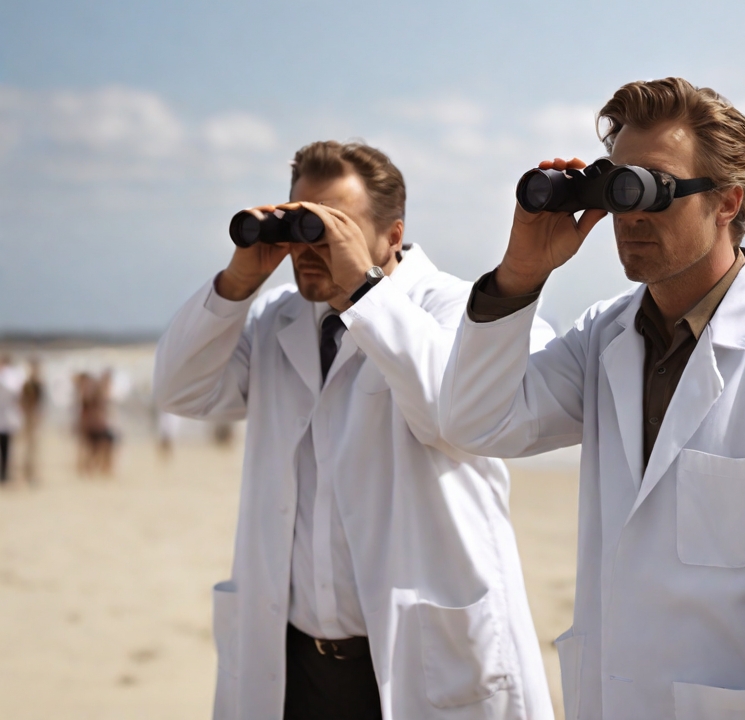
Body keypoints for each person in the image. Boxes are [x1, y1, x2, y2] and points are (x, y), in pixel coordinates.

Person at [439, 77, 745, 719]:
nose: (629, 214)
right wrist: (520, 275)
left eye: (652, 188)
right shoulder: (606, 336)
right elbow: (473, 422)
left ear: (725, 202)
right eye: (616, 185)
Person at [154, 140, 555, 720]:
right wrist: (239, 281)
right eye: (299, 223)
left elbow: (454, 418)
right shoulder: (279, 320)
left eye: (329, 228)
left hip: (420, 662)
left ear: (392, 236)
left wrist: (364, 295)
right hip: (295, 664)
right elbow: (178, 390)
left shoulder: (462, 310)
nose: (307, 249)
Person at [0, 355, 26, 484]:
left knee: (6, 448)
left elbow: (15, 394)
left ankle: (4, 474)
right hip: (5, 417)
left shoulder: (10, 377)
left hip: (6, 418)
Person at [19, 358, 44, 485]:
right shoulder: (29, 384)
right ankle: (27, 474)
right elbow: (24, 402)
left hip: (33, 417)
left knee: (33, 447)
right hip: (29, 418)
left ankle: (31, 473)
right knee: (28, 447)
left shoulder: (36, 383)